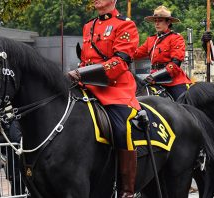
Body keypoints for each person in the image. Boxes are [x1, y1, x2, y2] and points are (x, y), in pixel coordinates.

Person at [67, 0, 140, 196]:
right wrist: (78, 74)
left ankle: (127, 189)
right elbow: (85, 60)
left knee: (121, 128)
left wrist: (82, 74)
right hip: (87, 87)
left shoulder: (125, 24)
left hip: (115, 89)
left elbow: (120, 61)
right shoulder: (88, 26)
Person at [134, 6, 191, 100]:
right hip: (153, 80)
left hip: (172, 80)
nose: (156, 23)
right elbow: (135, 54)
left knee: (182, 102)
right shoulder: (151, 40)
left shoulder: (176, 38)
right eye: (155, 21)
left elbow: (175, 64)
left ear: (168, 22)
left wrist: (155, 76)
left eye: (160, 20)